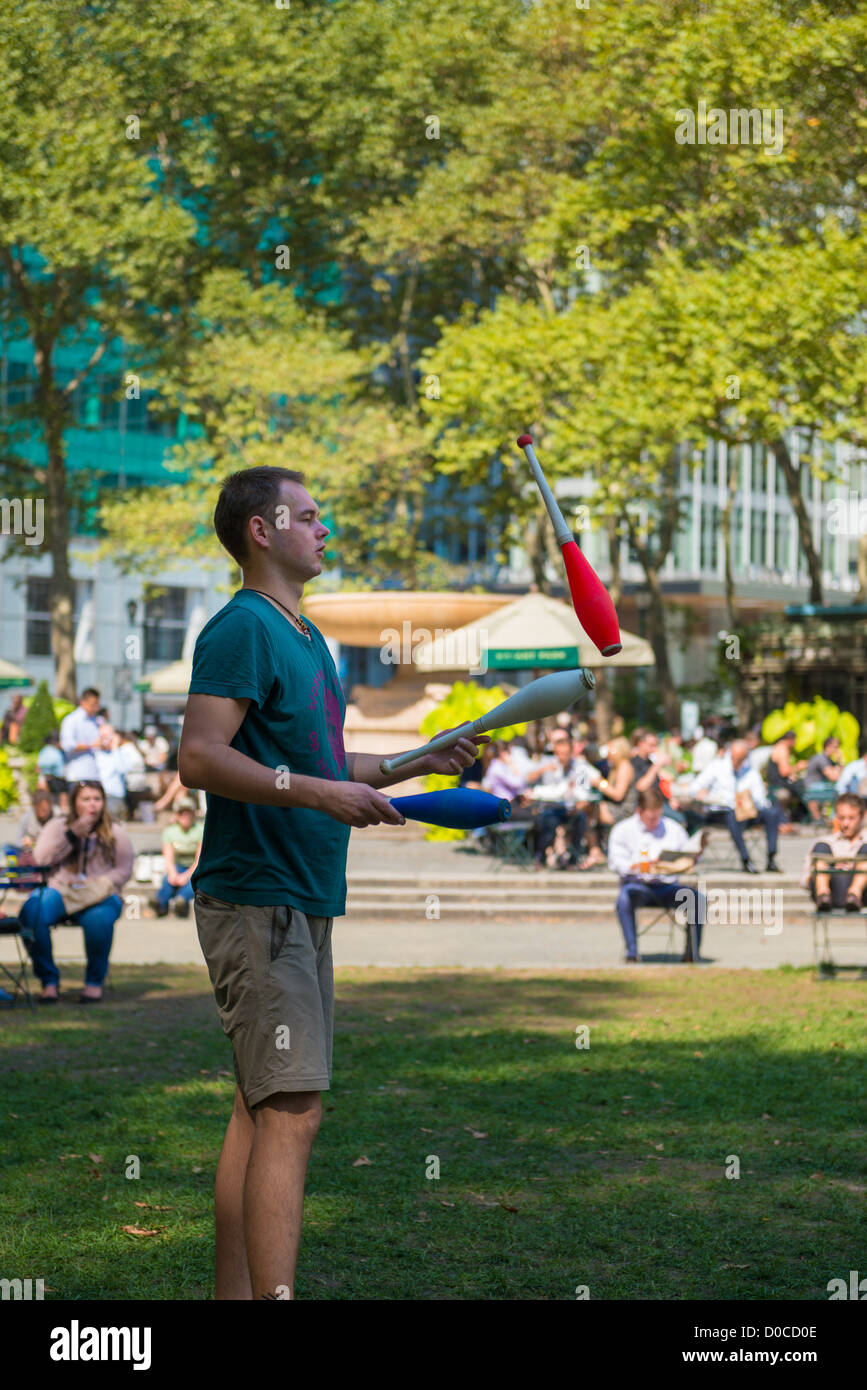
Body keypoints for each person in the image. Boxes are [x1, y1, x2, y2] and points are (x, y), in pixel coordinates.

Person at [178, 464, 486, 1301]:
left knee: (259, 1106)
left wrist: (409, 762)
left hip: (301, 895)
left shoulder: (307, 636)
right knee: (293, 1111)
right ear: (261, 530)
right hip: (257, 893)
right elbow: (201, 755)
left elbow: (316, 761)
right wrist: (319, 793)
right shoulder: (242, 626)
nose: (326, 531)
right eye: (310, 517)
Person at [17, 779, 133, 1003]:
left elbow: (124, 869)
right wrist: (71, 836)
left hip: (100, 895)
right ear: (74, 802)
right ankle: (48, 980)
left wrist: (99, 884)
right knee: (32, 912)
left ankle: (93, 982)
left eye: (97, 799)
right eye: (86, 799)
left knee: (98, 920)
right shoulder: (57, 826)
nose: (92, 805)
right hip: (61, 890)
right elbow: (41, 860)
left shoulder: (115, 831)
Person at [608, 787, 706, 963]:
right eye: (650, 818)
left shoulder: (673, 829)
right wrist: (641, 866)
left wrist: (693, 857)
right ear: (639, 811)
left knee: (697, 899)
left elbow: (685, 856)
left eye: (658, 816)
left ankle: (691, 953)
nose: (654, 822)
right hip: (638, 886)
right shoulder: (623, 830)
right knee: (624, 899)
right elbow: (617, 863)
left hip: (668, 886)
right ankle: (632, 952)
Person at [686, 737, 783, 872]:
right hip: (721, 812)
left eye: (740, 758)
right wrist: (704, 795)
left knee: (772, 813)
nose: (735, 762)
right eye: (734, 757)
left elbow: (761, 799)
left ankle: (771, 858)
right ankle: (746, 860)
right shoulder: (716, 767)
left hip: (746, 812)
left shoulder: (751, 772)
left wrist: (748, 800)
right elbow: (694, 788)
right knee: (733, 815)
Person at [523, 728, 586, 869]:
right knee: (549, 822)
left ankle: (573, 858)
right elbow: (527, 779)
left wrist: (577, 807)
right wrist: (542, 770)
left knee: (581, 819)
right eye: (560, 754)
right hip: (549, 807)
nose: (563, 758)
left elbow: (584, 793)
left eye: (566, 754)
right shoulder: (547, 762)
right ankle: (540, 856)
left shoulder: (578, 767)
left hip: (570, 807)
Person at [801, 793, 867, 912]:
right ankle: (823, 895)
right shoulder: (825, 842)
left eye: (851, 818)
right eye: (841, 818)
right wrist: (832, 870)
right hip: (831, 889)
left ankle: (854, 894)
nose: (846, 824)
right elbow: (805, 880)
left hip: (863, 893)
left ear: (862, 817)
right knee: (821, 848)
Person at [150, 797, 203, 917]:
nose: (185, 815)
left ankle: (181, 900)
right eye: (181, 812)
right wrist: (173, 874)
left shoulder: (200, 830)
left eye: (188, 812)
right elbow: (168, 858)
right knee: (167, 880)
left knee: (193, 882)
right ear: (177, 815)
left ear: (193, 814)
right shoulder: (170, 831)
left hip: (194, 868)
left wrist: (186, 875)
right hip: (178, 866)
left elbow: (199, 860)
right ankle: (160, 903)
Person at [59, 688, 104, 784]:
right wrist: (90, 745)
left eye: (97, 705)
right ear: (83, 702)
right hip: (77, 774)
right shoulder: (71, 720)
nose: (96, 708)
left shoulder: (95, 721)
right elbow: (67, 745)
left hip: (95, 774)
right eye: (93, 705)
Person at [766, 730, 809, 821]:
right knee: (802, 790)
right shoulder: (782, 749)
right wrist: (798, 766)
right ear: (790, 740)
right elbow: (784, 772)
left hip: (776, 782)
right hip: (777, 784)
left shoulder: (779, 747)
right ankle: (804, 818)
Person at [802, 736, 843, 824]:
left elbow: (839, 775)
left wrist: (839, 762)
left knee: (840, 789)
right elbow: (834, 777)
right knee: (840, 791)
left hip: (820, 787)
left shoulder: (829, 760)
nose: (837, 750)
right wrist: (839, 761)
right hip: (812, 788)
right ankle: (834, 819)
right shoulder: (821, 759)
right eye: (836, 747)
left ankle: (834, 819)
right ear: (828, 746)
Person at [36, 731, 70, 813]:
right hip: (50, 778)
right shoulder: (48, 750)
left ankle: (63, 811)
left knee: (63, 793)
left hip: (60, 779)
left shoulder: (62, 751)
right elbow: (40, 766)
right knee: (44, 792)